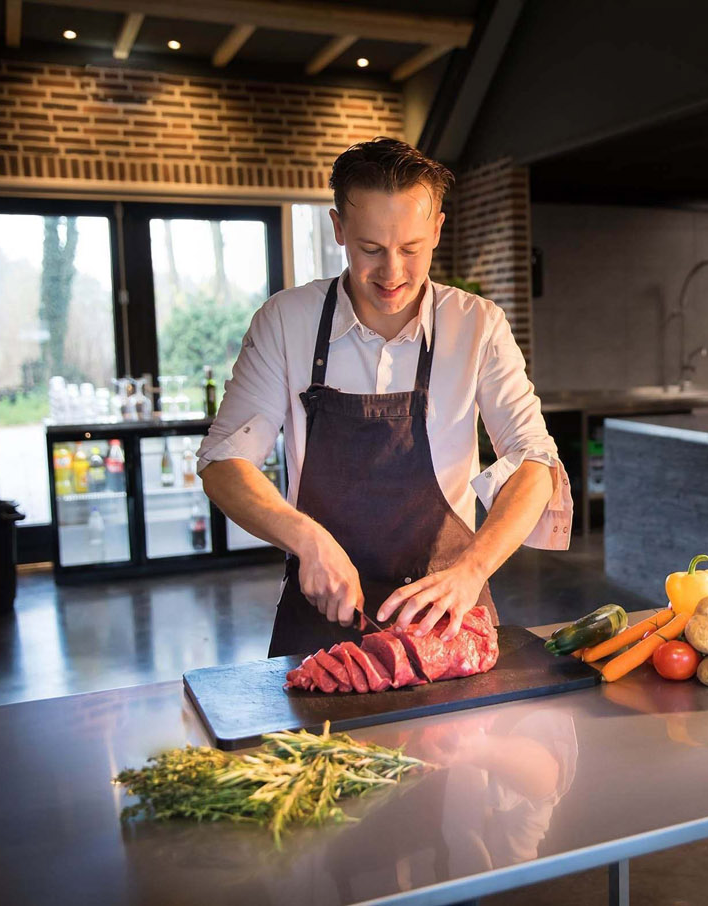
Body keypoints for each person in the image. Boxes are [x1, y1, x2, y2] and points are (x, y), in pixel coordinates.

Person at [198, 138, 570, 656]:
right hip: (320, 618)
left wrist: (473, 569)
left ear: (437, 230)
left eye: (411, 249)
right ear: (338, 229)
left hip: (447, 613)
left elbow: (534, 461)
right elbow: (223, 462)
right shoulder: (286, 321)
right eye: (370, 249)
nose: (392, 273)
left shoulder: (477, 325)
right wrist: (307, 539)